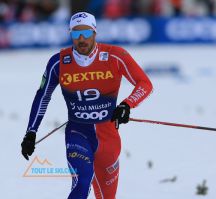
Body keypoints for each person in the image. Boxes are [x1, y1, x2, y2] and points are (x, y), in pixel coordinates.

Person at [21, 12, 153, 199]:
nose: (81, 39)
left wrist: (127, 105)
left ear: (94, 32)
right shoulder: (58, 62)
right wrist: (31, 132)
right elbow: (43, 96)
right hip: (78, 133)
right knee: (81, 184)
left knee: (107, 196)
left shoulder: (116, 56)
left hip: (108, 137)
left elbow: (144, 84)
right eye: (75, 33)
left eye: (86, 32)